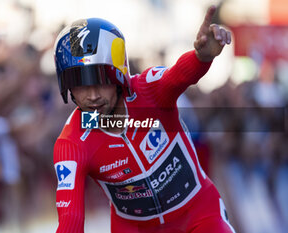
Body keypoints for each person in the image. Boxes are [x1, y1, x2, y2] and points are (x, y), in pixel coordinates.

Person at [53, 5, 235, 233]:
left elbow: (178, 75)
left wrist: (201, 57)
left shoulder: (149, 91)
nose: (92, 96)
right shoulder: (72, 142)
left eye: (100, 79)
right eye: (80, 84)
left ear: (118, 74)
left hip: (198, 216)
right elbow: (70, 220)